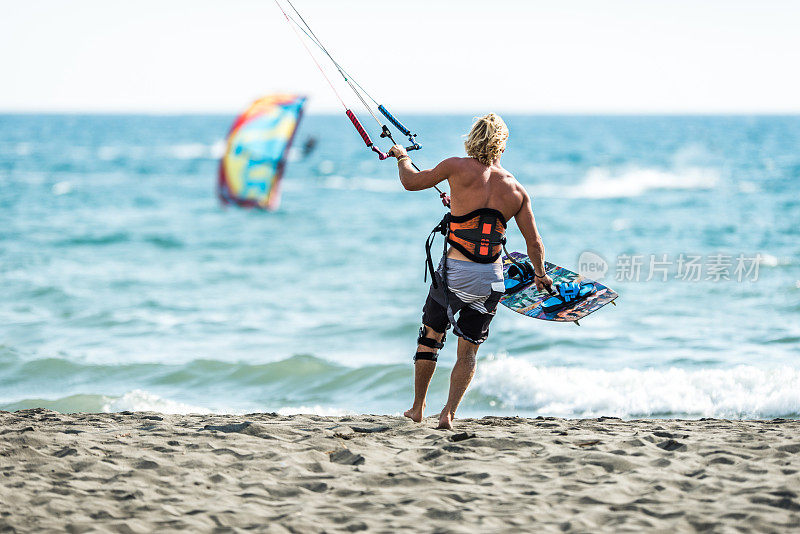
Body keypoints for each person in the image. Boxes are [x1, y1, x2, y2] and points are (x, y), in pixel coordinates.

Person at [388, 113, 553, 430]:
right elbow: (535, 242)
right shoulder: (516, 190)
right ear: (501, 145)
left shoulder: (455, 167)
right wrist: (540, 274)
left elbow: (411, 181)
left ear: (473, 138)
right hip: (490, 280)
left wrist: (402, 157)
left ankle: (418, 408)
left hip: (455, 274)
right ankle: (448, 414)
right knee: (468, 353)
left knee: (430, 337)